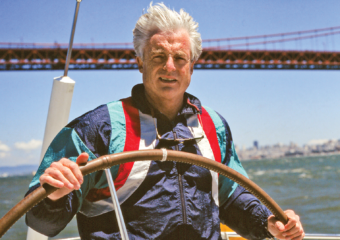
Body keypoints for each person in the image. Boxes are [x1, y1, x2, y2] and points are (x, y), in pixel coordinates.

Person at [25, 3, 304, 240]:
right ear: (140, 62)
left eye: (180, 58)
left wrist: (268, 223)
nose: (169, 67)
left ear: (192, 65)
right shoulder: (98, 128)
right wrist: (53, 196)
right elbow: (41, 224)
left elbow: (231, 198)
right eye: (158, 56)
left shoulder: (214, 126)